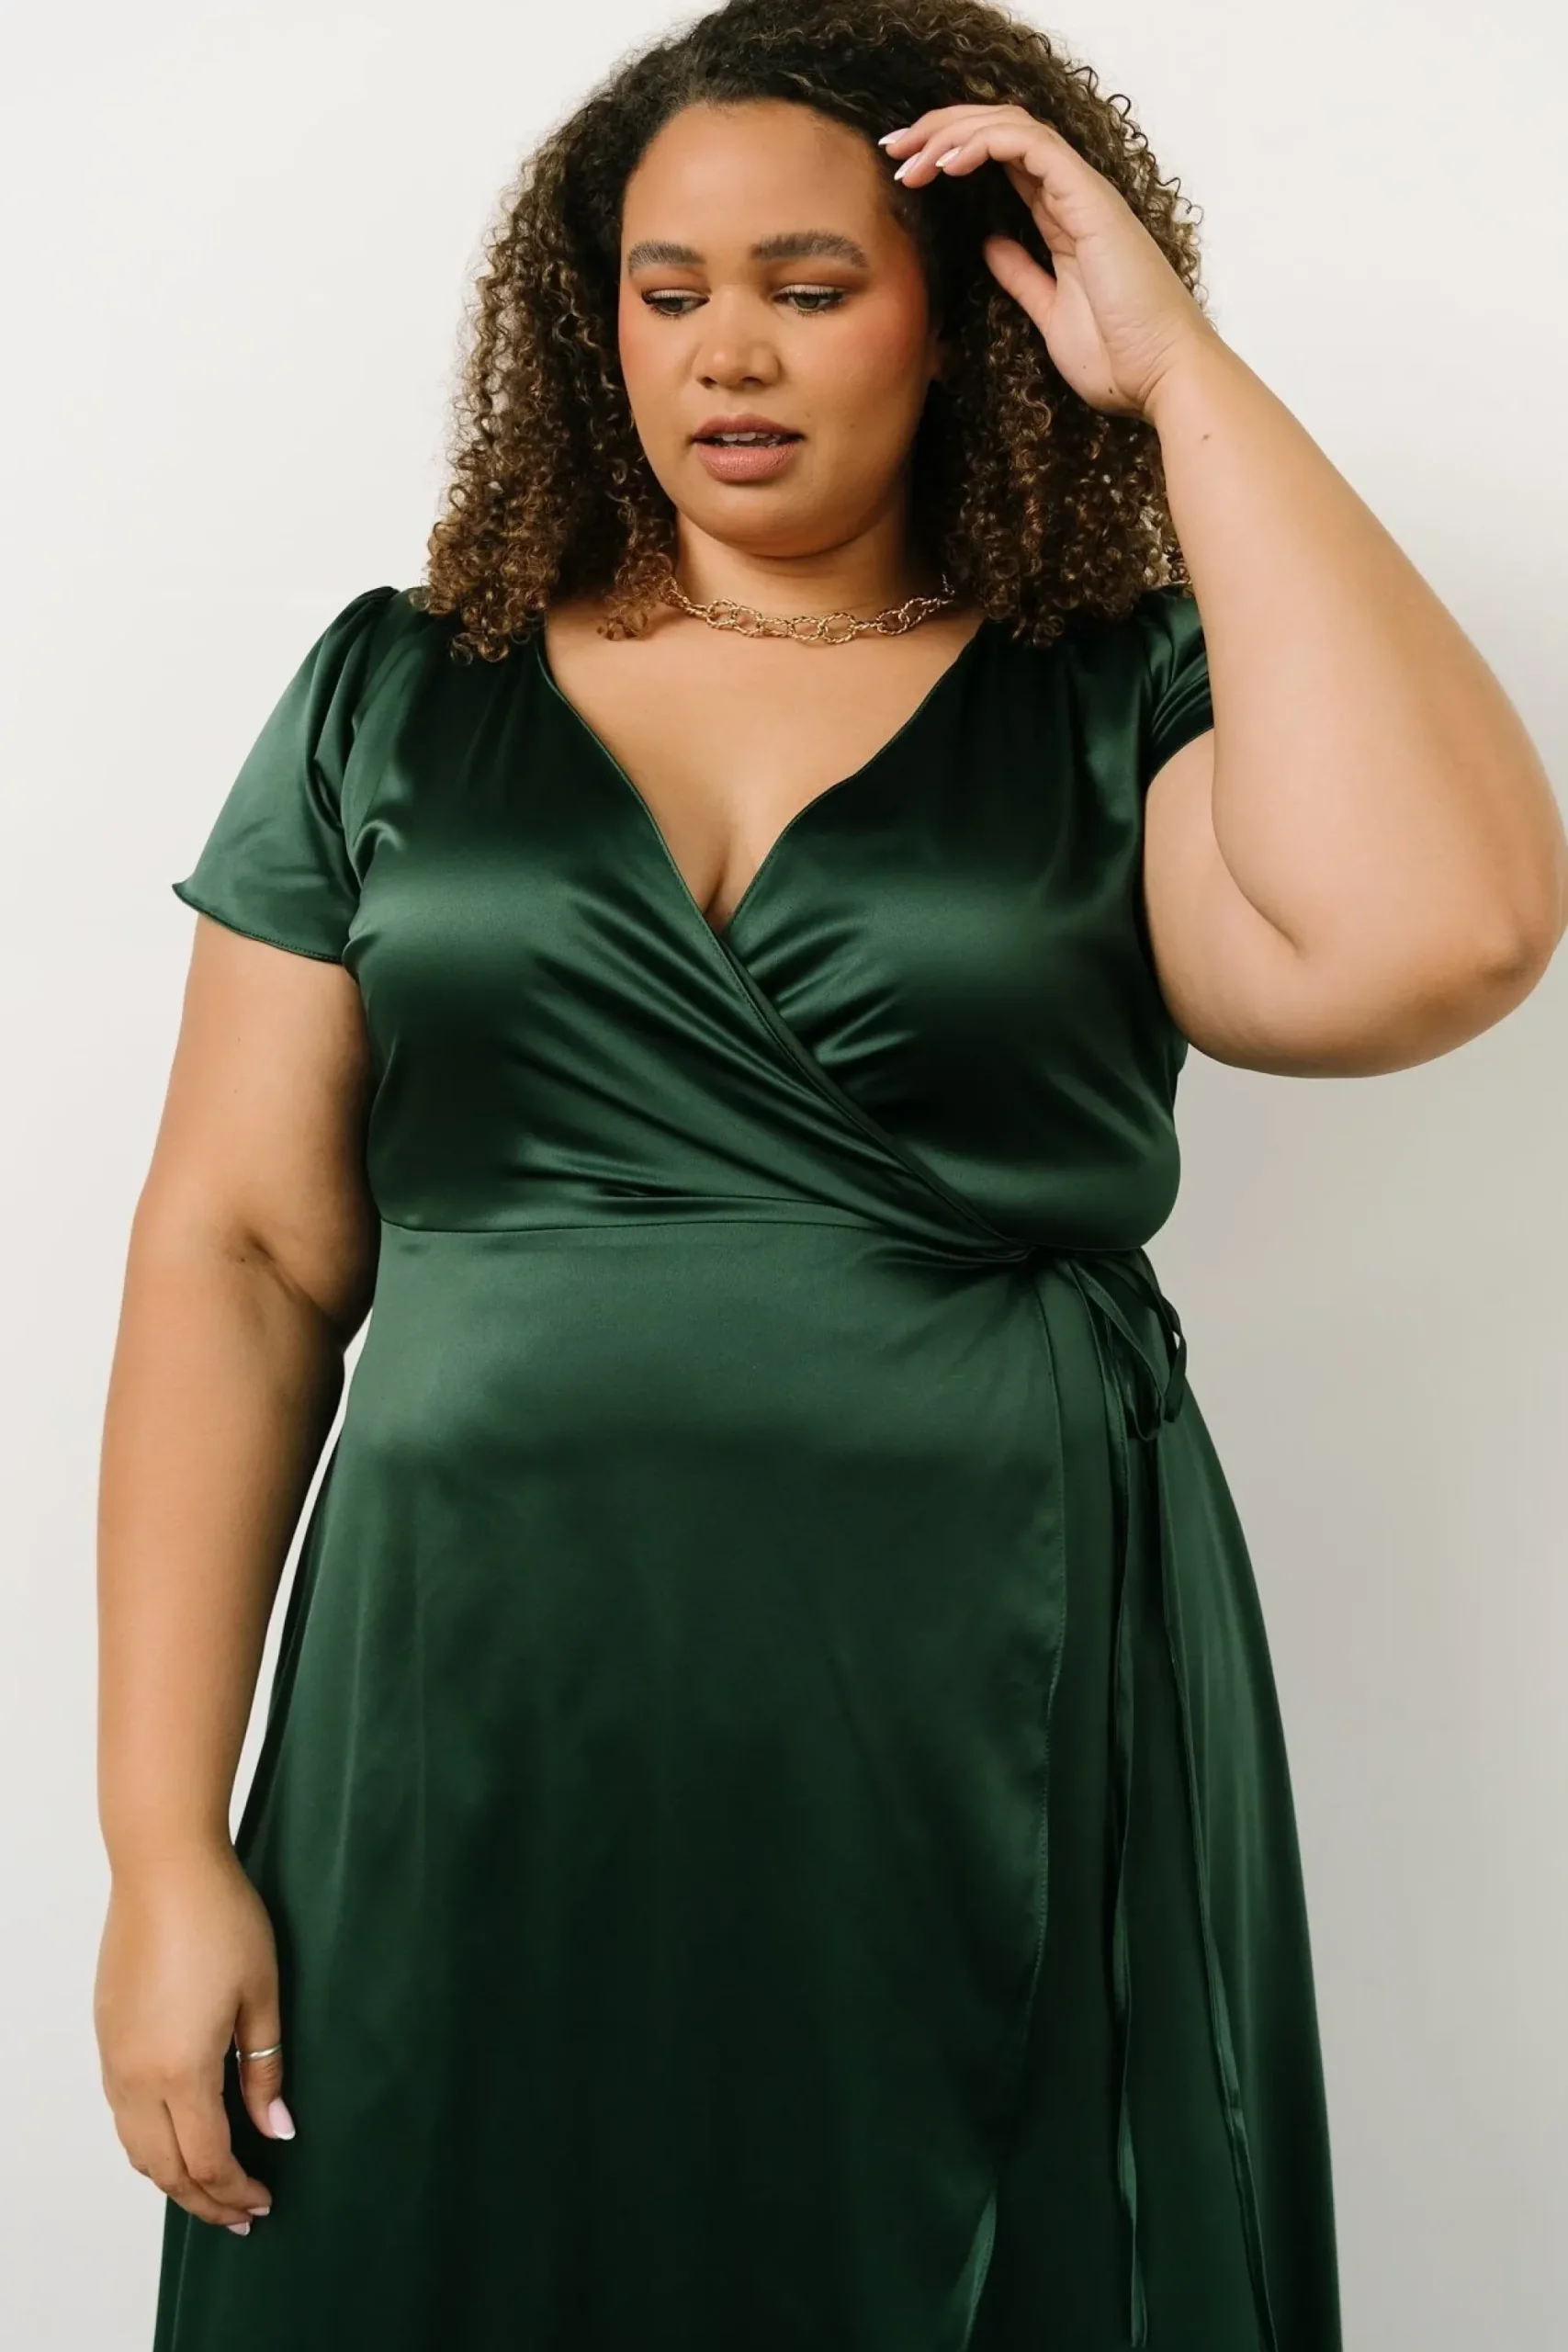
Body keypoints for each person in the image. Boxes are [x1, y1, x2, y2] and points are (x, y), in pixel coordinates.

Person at [94, 4, 1566, 2349]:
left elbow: (1443, 932)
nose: (727, 352)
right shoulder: (396, 688)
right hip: (464, 1710)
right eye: (667, 291)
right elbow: (245, 1254)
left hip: (986, 1679)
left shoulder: (1114, 697)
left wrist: (1178, 378)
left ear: (962, 312)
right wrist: (163, 1843)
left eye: (810, 283)